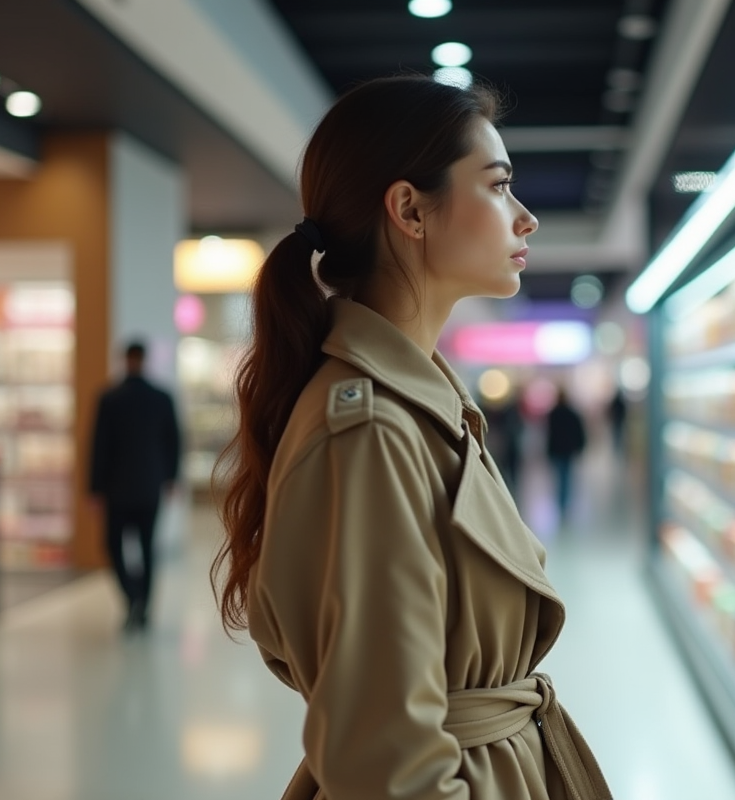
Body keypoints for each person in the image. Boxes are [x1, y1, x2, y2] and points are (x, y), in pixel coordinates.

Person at [210, 77, 610, 800]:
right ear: (408, 210)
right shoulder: (369, 433)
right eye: (497, 187)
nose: (526, 219)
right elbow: (388, 768)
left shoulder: (421, 405)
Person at [89, 342, 181, 631]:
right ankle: (142, 602)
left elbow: (99, 446)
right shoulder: (161, 398)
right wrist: (170, 478)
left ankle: (133, 597)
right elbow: (174, 441)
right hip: (149, 486)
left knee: (114, 546)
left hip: (117, 489)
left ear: (126, 360)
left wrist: (95, 487)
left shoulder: (110, 398)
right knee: (147, 547)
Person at [546, 387, 587, 519]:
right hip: (568, 449)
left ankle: (562, 501)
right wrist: (580, 446)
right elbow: (578, 431)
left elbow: (550, 434)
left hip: (558, 449)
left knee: (560, 475)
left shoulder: (553, 413)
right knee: (566, 475)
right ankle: (564, 501)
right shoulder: (571, 413)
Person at [482, 389, 524, 497]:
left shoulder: (508, 414)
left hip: (509, 449)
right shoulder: (509, 414)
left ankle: (510, 491)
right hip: (508, 449)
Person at [607, 388, 627, 453]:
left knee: (616, 435)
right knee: (618, 435)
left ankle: (616, 447)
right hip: (619, 421)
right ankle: (618, 447)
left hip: (617, 421)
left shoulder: (615, 403)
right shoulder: (620, 403)